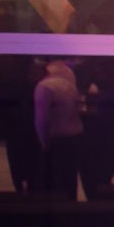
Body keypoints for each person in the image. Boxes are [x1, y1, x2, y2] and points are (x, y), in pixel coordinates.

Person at [34, 59, 85, 199]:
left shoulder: (44, 87)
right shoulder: (68, 84)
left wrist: (44, 143)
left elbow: (42, 120)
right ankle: (71, 206)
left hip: (57, 140)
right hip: (75, 137)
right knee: (69, 180)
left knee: (55, 184)